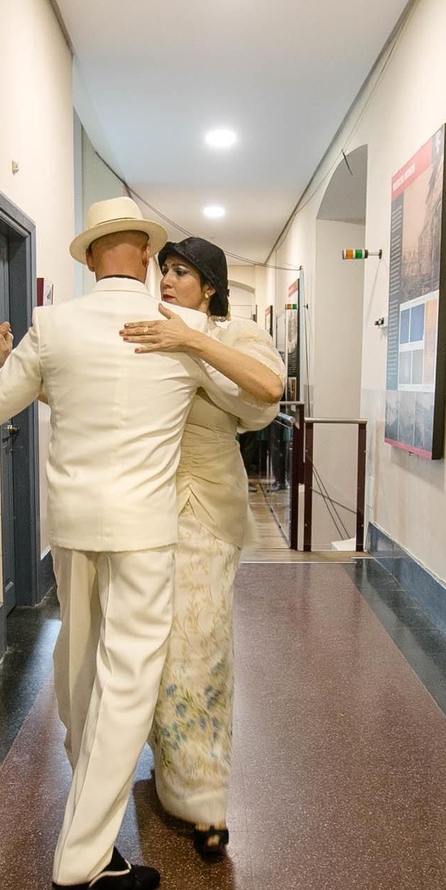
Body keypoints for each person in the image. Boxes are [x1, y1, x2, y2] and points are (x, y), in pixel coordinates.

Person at [0, 197, 264, 890]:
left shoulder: (55, 326)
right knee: (129, 680)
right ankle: (85, 850)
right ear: (143, 253)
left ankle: (87, 834)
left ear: (94, 256)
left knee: (80, 670)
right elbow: (256, 403)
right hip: (145, 528)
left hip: (73, 528)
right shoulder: (181, 328)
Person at [118, 236, 285, 858]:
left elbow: (265, 393)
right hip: (147, 505)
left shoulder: (238, 337)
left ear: (208, 285)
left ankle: (206, 799)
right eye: (163, 271)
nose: (166, 282)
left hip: (208, 504)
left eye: (180, 272)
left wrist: (192, 340)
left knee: (202, 640)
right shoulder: (148, 330)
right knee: (157, 643)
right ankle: (172, 774)